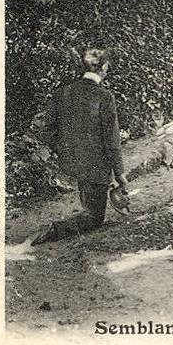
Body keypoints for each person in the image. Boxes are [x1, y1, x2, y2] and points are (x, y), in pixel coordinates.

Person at [32, 48, 128, 245]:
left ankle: (60, 226)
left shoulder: (63, 93)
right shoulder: (104, 96)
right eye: (107, 66)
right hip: (95, 165)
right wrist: (119, 173)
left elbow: (46, 130)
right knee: (94, 218)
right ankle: (55, 230)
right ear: (103, 68)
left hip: (71, 162)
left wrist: (64, 148)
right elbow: (111, 139)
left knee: (90, 205)